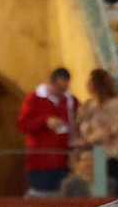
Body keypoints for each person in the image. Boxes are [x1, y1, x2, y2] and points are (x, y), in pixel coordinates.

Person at [17, 66, 78, 195]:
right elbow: (22, 124)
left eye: (65, 88)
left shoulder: (71, 101)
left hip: (63, 162)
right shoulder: (34, 98)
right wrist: (45, 122)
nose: (62, 92)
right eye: (59, 89)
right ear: (51, 83)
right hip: (39, 162)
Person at [74, 68, 118, 183]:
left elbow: (113, 129)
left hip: (110, 155)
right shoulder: (87, 106)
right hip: (91, 155)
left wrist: (91, 138)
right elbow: (81, 125)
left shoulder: (114, 104)